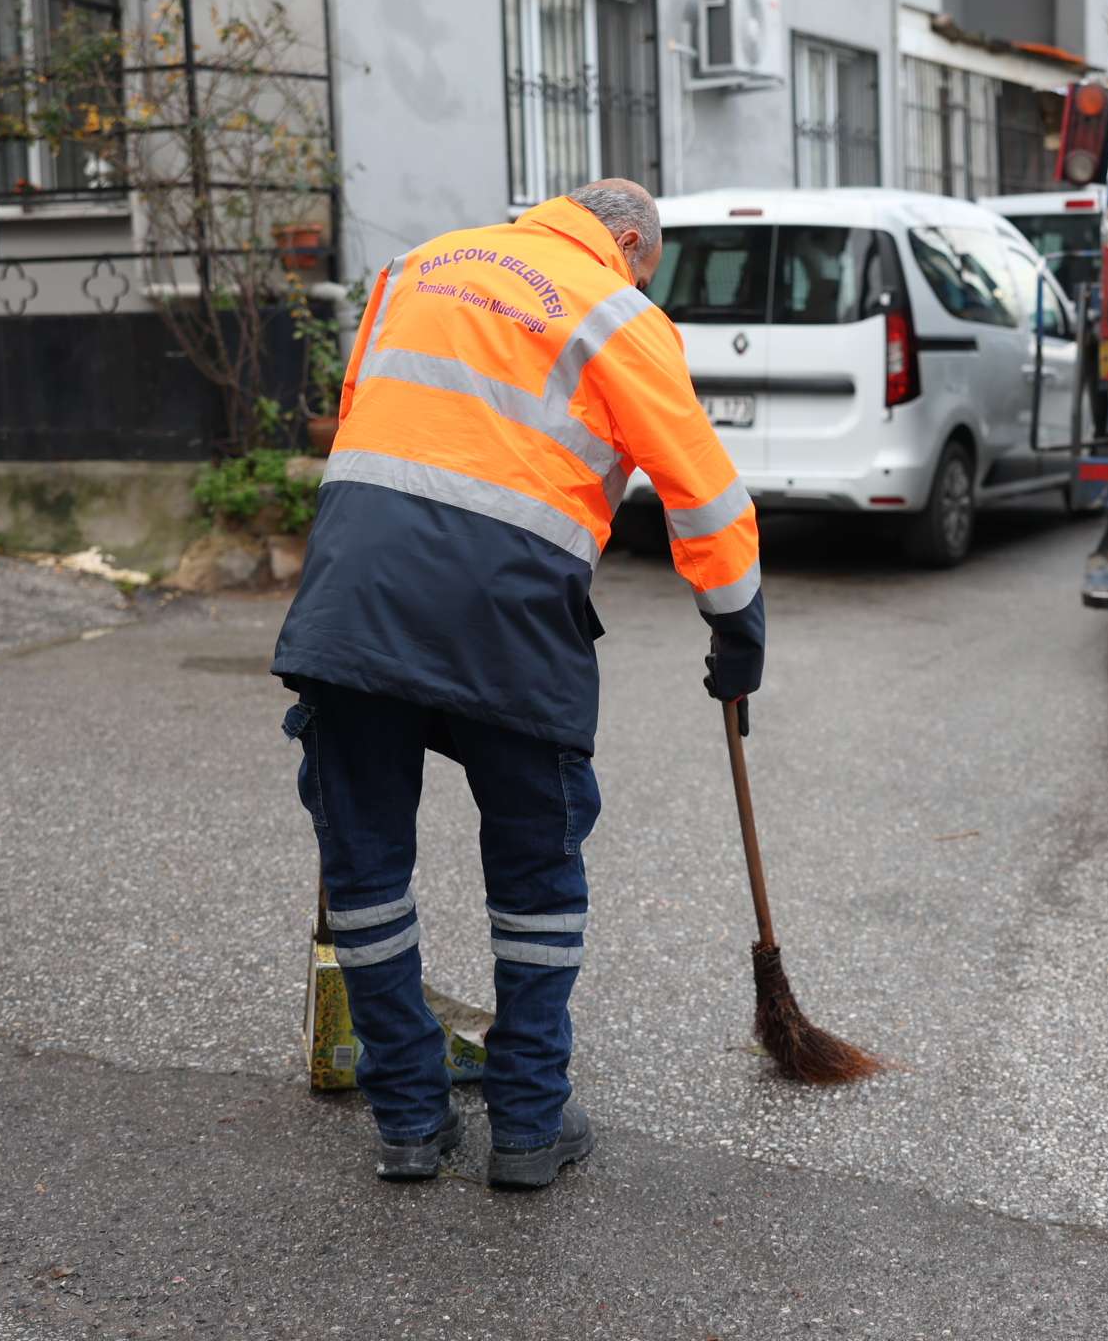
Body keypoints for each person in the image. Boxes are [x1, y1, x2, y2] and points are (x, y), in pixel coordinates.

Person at [271, 179, 764, 1190]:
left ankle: (408, 1120)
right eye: (647, 262)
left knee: (364, 862)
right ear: (627, 241)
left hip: (353, 593)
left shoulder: (416, 266)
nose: (642, 277)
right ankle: (530, 1128)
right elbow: (702, 488)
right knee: (536, 863)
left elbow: (368, 419)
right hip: (508, 610)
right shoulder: (620, 310)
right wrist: (736, 623)